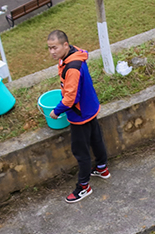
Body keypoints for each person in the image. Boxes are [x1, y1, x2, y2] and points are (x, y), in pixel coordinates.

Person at [47, 30, 110, 203]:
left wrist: (56, 111)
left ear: (65, 45)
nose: (52, 52)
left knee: (81, 152)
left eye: (55, 47)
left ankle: (83, 187)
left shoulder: (72, 68)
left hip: (79, 114)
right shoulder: (74, 55)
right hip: (90, 108)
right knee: (96, 140)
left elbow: (70, 98)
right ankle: (102, 168)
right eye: (49, 48)